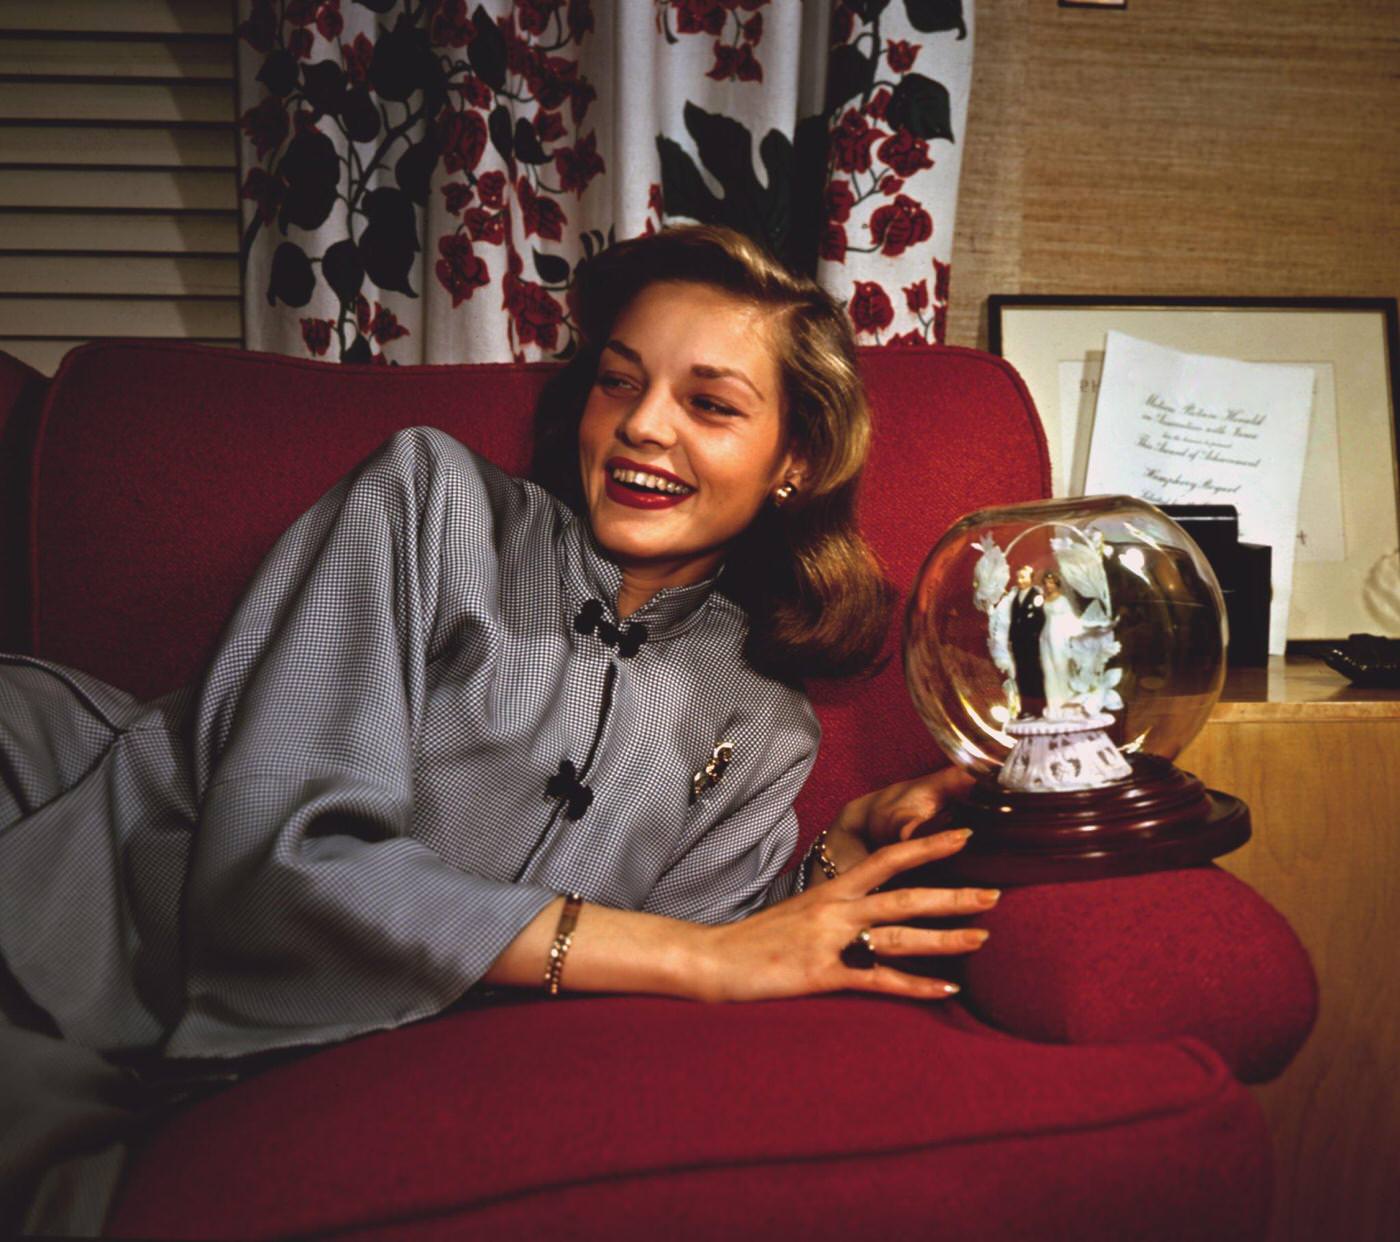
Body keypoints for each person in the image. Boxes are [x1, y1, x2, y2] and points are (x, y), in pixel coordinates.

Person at [0, 225, 992, 1233]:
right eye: (617, 382)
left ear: (794, 459)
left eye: (708, 404)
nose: (642, 426)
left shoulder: (764, 720)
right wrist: (700, 961)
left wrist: (828, 866)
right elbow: (286, 857)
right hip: (64, 883)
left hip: (252, 1063)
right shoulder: (428, 500)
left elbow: (686, 966)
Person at [1038, 570, 1084, 717]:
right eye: (1046, 583)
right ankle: (1054, 706)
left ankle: (1067, 705)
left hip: (1059, 637)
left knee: (1061, 668)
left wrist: (1076, 636)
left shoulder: (1063, 600)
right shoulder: (1044, 600)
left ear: (1056, 584)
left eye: (1051, 583)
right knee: (1049, 670)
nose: (1048, 586)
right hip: (1046, 637)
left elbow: (1070, 619)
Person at [1006, 563, 1045, 715]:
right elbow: (1014, 620)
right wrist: (1011, 638)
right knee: (1021, 674)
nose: (1020, 581)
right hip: (1019, 642)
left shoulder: (1037, 596)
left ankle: (1040, 708)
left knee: (1034, 673)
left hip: (1032, 642)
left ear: (1031, 578)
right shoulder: (1016, 598)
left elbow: (1041, 619)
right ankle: (1025, 708)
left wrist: (1036, 636)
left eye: (1023, 577)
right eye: (1018, 577)